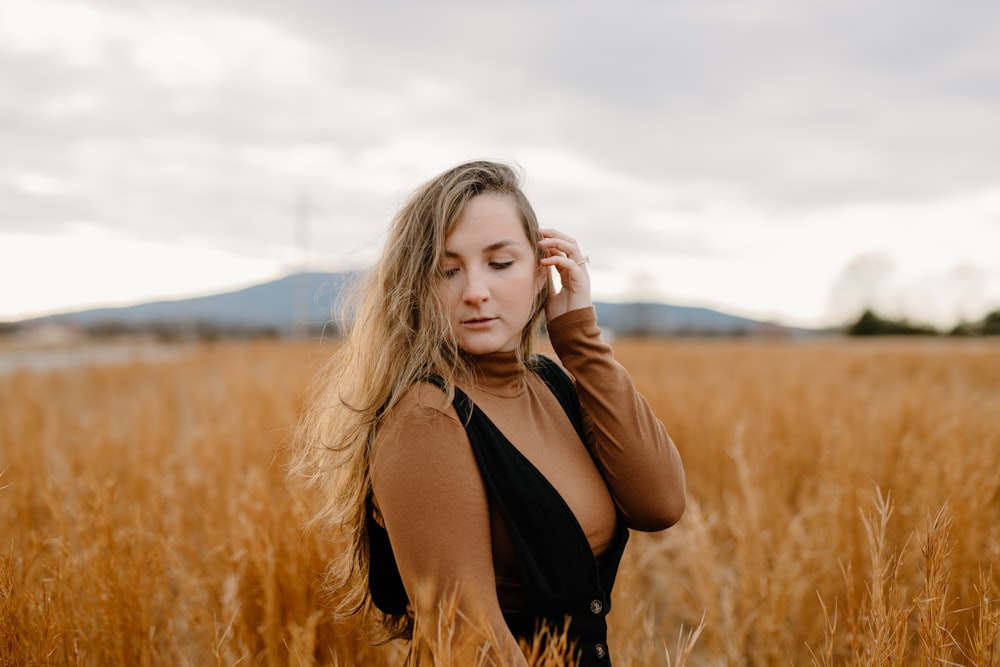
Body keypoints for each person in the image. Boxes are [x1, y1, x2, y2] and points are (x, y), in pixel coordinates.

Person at [291, 160, 686, 666]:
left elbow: (659, 503)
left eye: (500, 264)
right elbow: (466, 637)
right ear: (416, 287)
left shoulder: (552, 384)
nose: (475, 291)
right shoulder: (425, 417)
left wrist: (581, 342)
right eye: (447, 269)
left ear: (543, 272)